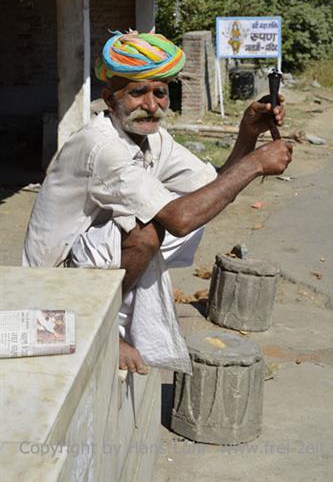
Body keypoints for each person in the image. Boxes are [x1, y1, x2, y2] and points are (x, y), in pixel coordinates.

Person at [23, 31, 292, 375]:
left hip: (95, 262)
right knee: (149, 229)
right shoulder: (101, 146)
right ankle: (99, 327)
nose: (151, 105)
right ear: (109, 98)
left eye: (160, 93)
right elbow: (181, 219)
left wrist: (248, 133)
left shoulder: (152, 136)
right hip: (54, 287)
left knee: (188, 207)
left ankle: (110, 317)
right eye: (137, 93)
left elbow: (214, 184)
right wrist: (256, 163)